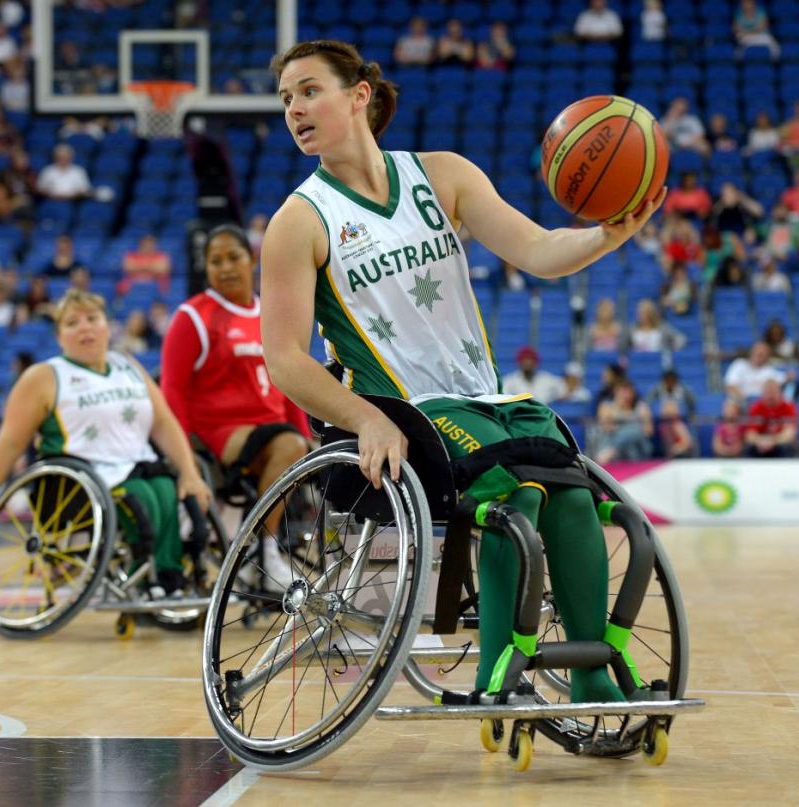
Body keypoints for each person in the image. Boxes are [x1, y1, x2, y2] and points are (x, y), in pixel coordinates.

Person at [262, 40, 665, 703]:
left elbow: (536, 248)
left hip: (483, 398)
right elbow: (284, 359)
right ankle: (498, 674)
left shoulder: (442, 174)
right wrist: (364, 419)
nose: (295, 109)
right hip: (404, 414)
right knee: (516, 495)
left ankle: (591, 671)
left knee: (569, 490)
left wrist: (605, 235)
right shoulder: (299, 222)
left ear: (359, 95)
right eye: (285, 99)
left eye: (309, 91)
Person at [0, 289, 212, 599]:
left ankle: (169, 578)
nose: (84, 327)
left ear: (108, 327)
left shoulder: (127, 366)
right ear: (59, 337)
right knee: (142, 498)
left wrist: (189, 472)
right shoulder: (44, 377)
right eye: (72, 323)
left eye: (93, 319)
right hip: (82, 481)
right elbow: (10, 444)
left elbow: (164, 423)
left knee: (166, 488)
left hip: (139, 465)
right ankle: (145, 579)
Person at [160, 224, 313, 586]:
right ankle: (262, 552)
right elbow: (173, 393)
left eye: (233, 257)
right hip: (219, 434)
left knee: (321, 449)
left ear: (252, 259)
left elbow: (289, 384)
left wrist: (309, 445)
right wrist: (183, 461)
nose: (225, 267)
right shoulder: (194, 317)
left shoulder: (271, 314)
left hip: (277, 430)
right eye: (215, 261)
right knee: (289, 445)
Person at [593, 380, 654, 462]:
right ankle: (615, 450)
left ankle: (614, 450)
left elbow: (648, 431)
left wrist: (624, 425)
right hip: (613, 442)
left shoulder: (642, 407)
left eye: (628, 391)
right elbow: (607, 428)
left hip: (638, 445)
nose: (625, 395)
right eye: (622, 391)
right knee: (631, 432)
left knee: (635, 431)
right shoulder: (606, 406)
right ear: (615, 392)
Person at [744, 379, 799, 458]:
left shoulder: (788, 407)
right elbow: (750, 434)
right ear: (763, 394)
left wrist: (772, 441)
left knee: (787, 447)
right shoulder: (756, 408)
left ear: (779, 393)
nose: (771, 396)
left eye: (773, 392)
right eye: (768, 393)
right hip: (761, 441)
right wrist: (760, 441)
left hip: (780, 441)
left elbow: (790, 433)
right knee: (749, 448)